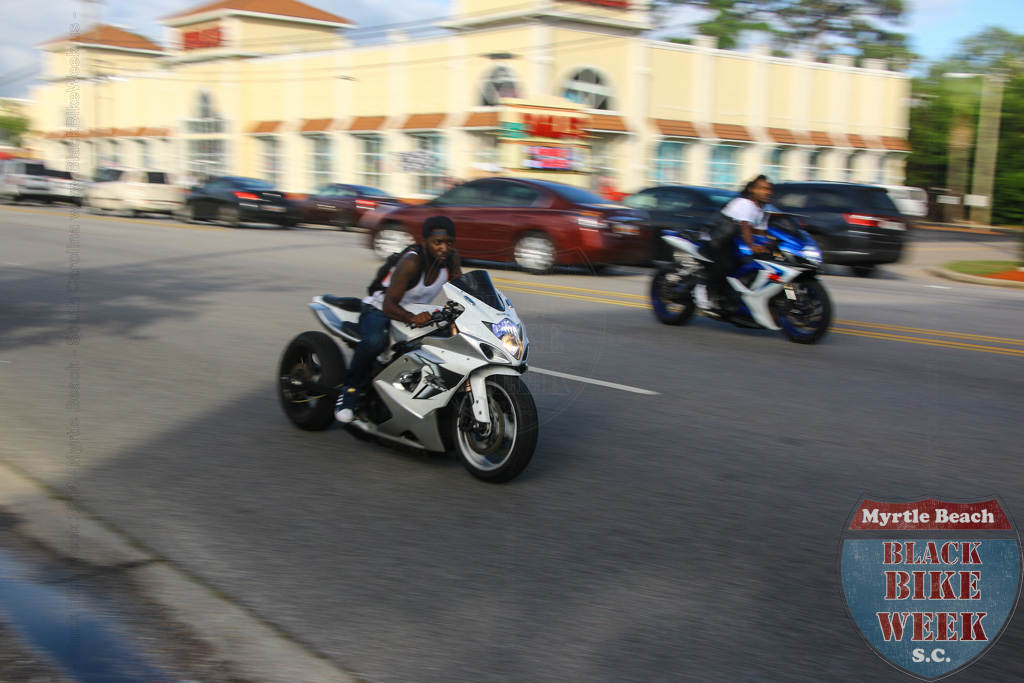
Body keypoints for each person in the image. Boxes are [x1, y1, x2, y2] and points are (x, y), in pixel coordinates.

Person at [335, 216, 463, 423]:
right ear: (425, 242)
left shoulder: (451, 259)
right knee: (376, 341)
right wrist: (413, 318)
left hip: (415, 311)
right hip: (380, 308)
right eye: (437, 242)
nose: (444, 248)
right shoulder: (411, 262)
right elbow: (388, 305)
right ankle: (349, 391)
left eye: (449, 243)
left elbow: (460, 291)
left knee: (449, 340)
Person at [697, 175, 773, 309]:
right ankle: (704, 288)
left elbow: (761, 233)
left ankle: (731, 297)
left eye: (769, 189)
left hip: (732, 243)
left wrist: (767, 247)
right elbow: (745, 227)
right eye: (762, 188)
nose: (767, 192)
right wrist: (752, 246)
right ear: (751, 189)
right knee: (726, 265)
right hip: (716, 240)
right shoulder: (745, 203)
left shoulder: (762, 210)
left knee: (750, 266)